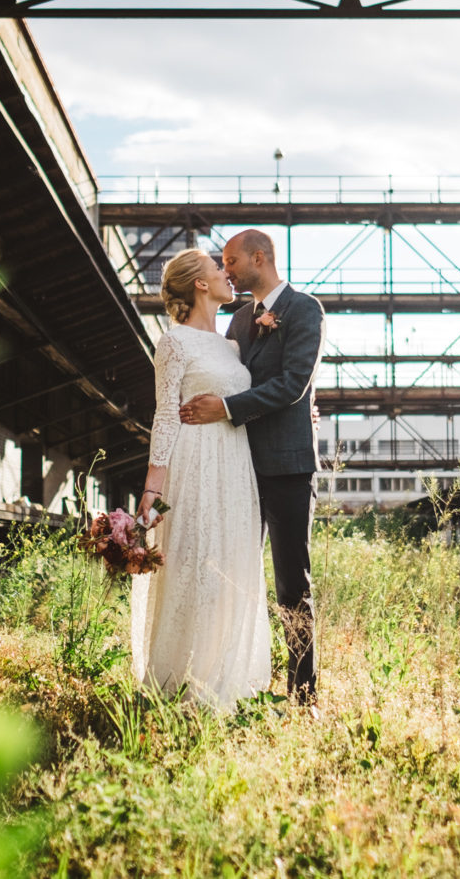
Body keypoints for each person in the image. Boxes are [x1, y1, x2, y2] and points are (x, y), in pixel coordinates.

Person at [179, 229, 326, 705]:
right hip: (236, 463)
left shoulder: (306, 310)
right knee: (230, 573)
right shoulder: (240, 318)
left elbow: (293, 384)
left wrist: (225, 408)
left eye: (232, 260)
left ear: (258, 258)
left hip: (286, 466)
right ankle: (229, 680)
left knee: (291, 582)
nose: (227, 270)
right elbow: (225, 374)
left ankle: (302, 694)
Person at [133, 249, 271, 710]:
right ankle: (177, 682)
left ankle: (221, 678)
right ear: (199, 283)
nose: (227, 275)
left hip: (235, 462)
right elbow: (166, 415)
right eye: (219, 269)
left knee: (230, 563)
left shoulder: (233, 344)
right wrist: (153, 486)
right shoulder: (173, 343)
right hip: (194, 461)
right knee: (194, 561)